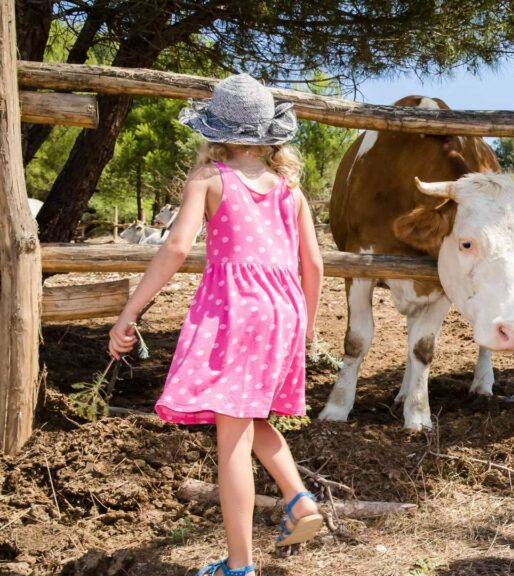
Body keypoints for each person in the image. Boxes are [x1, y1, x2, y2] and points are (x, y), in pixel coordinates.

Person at [107, 74, 326, 576]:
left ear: (217, 131)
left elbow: (177, 247)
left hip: (237, 312)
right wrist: (307, 327)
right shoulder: (291, 192)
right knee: (246, 417)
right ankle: (298, 499)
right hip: (284, 311)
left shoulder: (208, 180)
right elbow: (312, 264)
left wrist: (130, 311)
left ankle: (239, 565)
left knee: (231, 439)